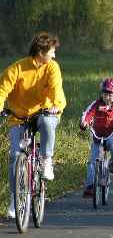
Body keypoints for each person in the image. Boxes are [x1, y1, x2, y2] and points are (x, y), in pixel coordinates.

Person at [0, 32, 66, 219]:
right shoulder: (17, 69)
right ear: (40, 51)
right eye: (52, 51)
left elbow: (56, 90)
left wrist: (55, 106)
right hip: (19, 116)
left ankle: (46, 160)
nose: (54, 55)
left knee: (46, 122)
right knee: (15, 156)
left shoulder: (52, 67)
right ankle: (16, 199)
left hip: (46, 112)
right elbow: (2, 90)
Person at [80, 78, 113, 198]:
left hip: (112, 133)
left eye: (110, 95)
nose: (107, 97)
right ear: (101, 94)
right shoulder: (96, 104)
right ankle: (90, 186)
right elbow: (87, 114)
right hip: (97, 135)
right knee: (92, 162)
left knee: (112, 144)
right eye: (105, 94)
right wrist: (84, 122)